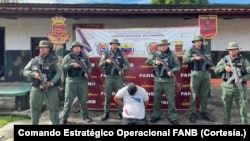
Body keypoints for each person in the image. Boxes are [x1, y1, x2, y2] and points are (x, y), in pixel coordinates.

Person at [23, 40, 62, 125]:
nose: (42, 49)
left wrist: (51, 83)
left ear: (48, 48)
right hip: (36, 88)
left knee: (53, 109)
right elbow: (25, 71)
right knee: (34, 110)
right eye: (41, 48)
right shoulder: (34, 61)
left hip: (50, 88)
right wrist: (34, 74)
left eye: (45, 47)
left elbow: (59, 73)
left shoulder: (54, 60)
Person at [145, 39, 181, 125]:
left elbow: (178, 66)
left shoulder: (172, 54)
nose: (163, 47)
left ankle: (173, 117)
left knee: (171, 100)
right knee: (157, 99)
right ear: (159, 46)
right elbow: (147, 62)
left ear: (167, 45)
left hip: (168, 81)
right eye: (161, 45)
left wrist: (171, 71)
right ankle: (156, 115)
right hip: (158, 80)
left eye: (165, 45)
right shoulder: (155, 54)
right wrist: (155, 62)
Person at [214, 42, 250, 124]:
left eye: (234, 49)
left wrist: (242, 78)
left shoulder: (244, 60)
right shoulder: (224, 60)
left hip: (240, 86)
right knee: (226, 107)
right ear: (228, 51)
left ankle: (244, 123)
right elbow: (216, 70)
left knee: (242, 107)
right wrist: (224, 67)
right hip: (227, 86)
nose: (232, 51)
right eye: (230, 50)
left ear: (238, 50)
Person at [182, 35, 215, 123]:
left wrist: (212, 66)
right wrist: (193, 58)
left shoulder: (206, 50)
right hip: (196, 74)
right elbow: (184, 60)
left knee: (204, 95)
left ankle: (204, 111)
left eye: (200, 40)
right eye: (197, 41)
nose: (199, 42)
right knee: (193, 94)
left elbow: (210, 60)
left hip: (206, 74)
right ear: (194, 42)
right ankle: (193, 112)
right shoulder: (190, 50)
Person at [60, 41, 93, 124]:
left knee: (83, 100)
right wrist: (71, 65)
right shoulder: (68, 57)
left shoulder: (84, 57)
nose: (77, 48)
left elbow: (89, 66)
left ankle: (85, 116)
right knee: (68, 101)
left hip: (82, 81)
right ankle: (64, 118)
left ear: (80, 48)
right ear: (72, 48)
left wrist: (87, 72)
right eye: (75, 46)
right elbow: (62, 67)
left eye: (79, 47)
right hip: (71, 81)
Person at [99, 39, 130, 121]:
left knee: (120, 95)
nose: (114, 45)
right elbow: (100, 64)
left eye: (116, 44)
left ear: (118, 45)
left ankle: (121, 112)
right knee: (108, 95)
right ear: (111, 45)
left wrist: (122, 70)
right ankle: (106, 112)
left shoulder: (122, 53)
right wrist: (106, 61)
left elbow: (127, 65)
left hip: (118, 77)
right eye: (113, 44)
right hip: (109, 76)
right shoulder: (106, 53)